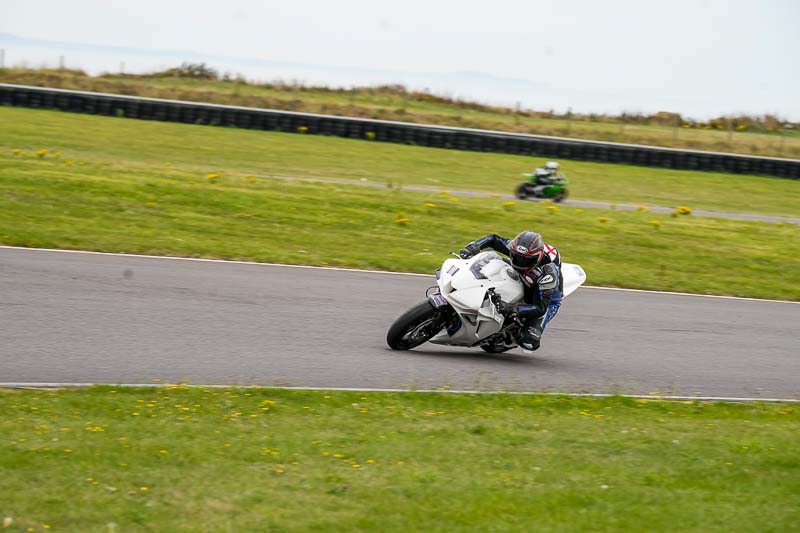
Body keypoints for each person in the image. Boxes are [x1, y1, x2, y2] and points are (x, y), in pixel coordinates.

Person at [459, 230, 562, 352]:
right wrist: (474, 247)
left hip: (544, 296)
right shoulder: (517, 248)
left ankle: (513, 332)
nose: (520, 262)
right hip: (525, 275)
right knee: (488, 264)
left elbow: (540, 308)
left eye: (526, 260)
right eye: (517, 257)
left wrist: (512, 309)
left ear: (537, 258)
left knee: (529, 342)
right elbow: (493, 239)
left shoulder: (547, 275)